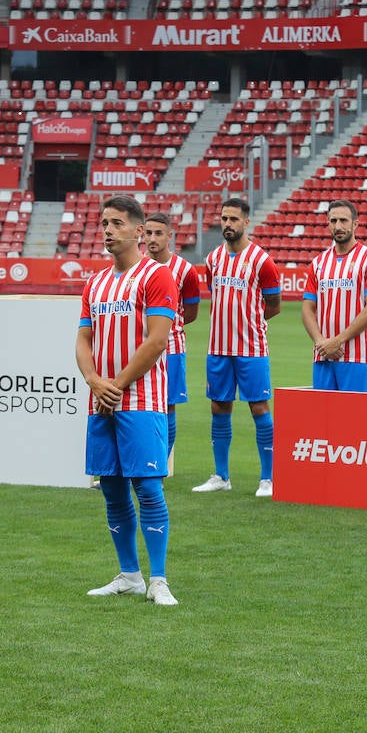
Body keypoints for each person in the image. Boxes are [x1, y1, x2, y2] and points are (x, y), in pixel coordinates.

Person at [77, 195, 180, 606]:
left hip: (142, 400)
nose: (107, 230)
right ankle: (129, 575)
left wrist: (114, 385)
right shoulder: (94, 282)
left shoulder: (156, 276)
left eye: (117, 223)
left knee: (149, 488)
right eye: (104, 223)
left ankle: (159, 579)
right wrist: (92, 380)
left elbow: (157, 340)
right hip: (101, 400)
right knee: (112, 490)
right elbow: (83, 340)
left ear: (138, 231)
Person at [193, 198, 281, 495]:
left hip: (251, 348)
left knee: (259, 407)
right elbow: (214, 295)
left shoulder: (261, 260)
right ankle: (221, 476)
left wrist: (250, 323)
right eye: (224, 218)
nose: (227, 224)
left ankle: (267, 478)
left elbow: (274, 305)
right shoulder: (214, 258)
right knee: (219, 406)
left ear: (246, 222)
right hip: (218, 347)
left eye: (233, 219)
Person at [301, 200, 367, 392]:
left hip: (356, 357)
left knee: (356, 419)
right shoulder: (318, 263)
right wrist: (321, 342)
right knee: (324, 419)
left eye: (344, 221)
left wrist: (336, 341)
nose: (338, 226)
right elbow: (307, 309)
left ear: (355, 224)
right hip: (323, 356)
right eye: (333, 221)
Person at [143, 214, 200, 475]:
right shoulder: (138, 266)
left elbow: (191, 311)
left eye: (158, 233)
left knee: (167, 406)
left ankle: (159, 467)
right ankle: (138, 464)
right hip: (139, 348)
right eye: (149, 233)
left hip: (172, 349)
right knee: (138, 406)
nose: (152, 239)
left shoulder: (185, 270)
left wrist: (169, 329)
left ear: (169, 236)